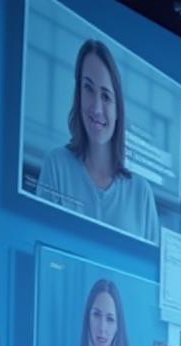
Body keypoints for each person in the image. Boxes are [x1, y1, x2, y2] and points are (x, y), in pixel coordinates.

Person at [35, 39, 161, 243]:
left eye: (106, 96)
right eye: (88, 88)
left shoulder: (141, 194)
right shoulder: (57, 165)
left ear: (118, 110)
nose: (96, 108)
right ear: (78, 94)